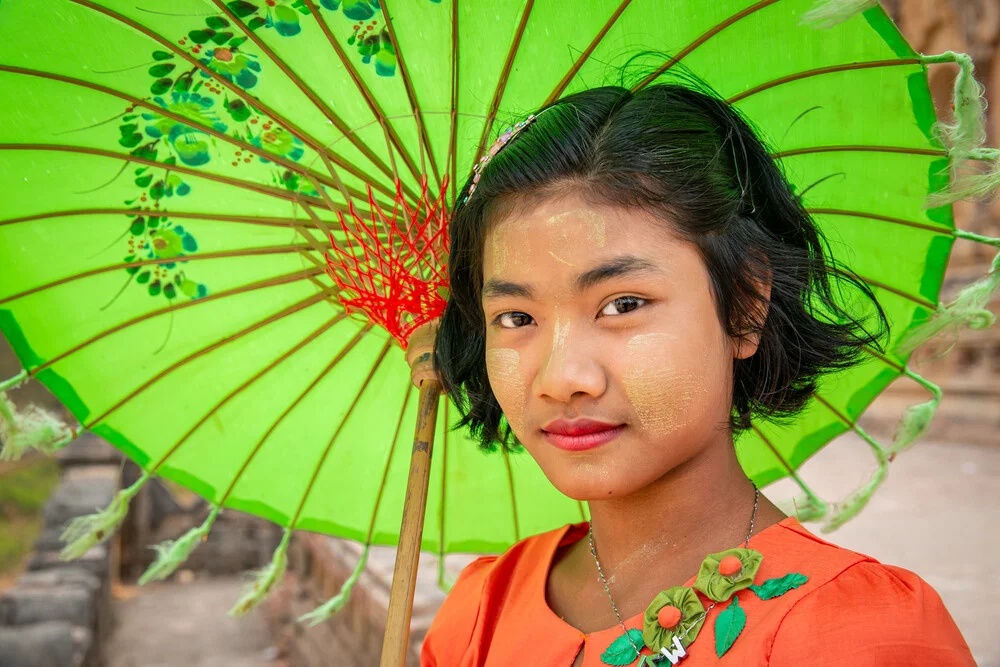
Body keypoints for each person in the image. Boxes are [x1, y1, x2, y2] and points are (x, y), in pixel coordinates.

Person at [419, 83, 975, 666]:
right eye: (516, 317)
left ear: (744, 305)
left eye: (623, 304)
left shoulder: (858, 637)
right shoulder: (475, 617)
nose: (561, 378)